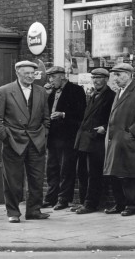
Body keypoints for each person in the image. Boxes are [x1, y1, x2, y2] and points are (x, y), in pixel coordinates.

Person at [0, 61, 51, 223]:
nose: (31, 76)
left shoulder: (41, 92)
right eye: (27, 73)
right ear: (18, 73)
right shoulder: (4, 91)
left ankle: (34, 210)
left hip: (36, 142)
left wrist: (44, 133)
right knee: (12, 179)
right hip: (13, 142)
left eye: (33, 73)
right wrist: (6, 137)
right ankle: (13, 212)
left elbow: (46, 117)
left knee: (37, 178)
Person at [103, 63, 135, 216]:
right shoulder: (119, 92)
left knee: (128, 175)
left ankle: (132, 206)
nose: (115, 79)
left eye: (118, 75)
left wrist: (130, 134)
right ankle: (119, 204)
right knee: (116, 174)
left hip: (127, 141)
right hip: (116, 140)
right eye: (114, 75)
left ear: (129, 74)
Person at [42, 66, 86, 210]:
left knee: (66, 168)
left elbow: (81, 114)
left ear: (62, 76)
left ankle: (64, 199)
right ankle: (51, 198)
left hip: (68, 136)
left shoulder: (76, 90)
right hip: (53, 136)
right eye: (49, 77)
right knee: (52, 167)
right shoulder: (51, 91)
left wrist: (63, 114)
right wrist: (45, 94)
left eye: (52, 77)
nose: (50, 80)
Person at [72, 68, 115, 214]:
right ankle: (83, 201)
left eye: (99, 78)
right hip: (84, 139)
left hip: (97, 140)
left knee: (94, 174)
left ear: (106, 79)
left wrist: (104, 127)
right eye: (94, 78)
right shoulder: (92, 95)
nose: (95, 81)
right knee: (82, 172)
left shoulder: (111, 96)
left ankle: (91, 204)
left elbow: (113, 119)